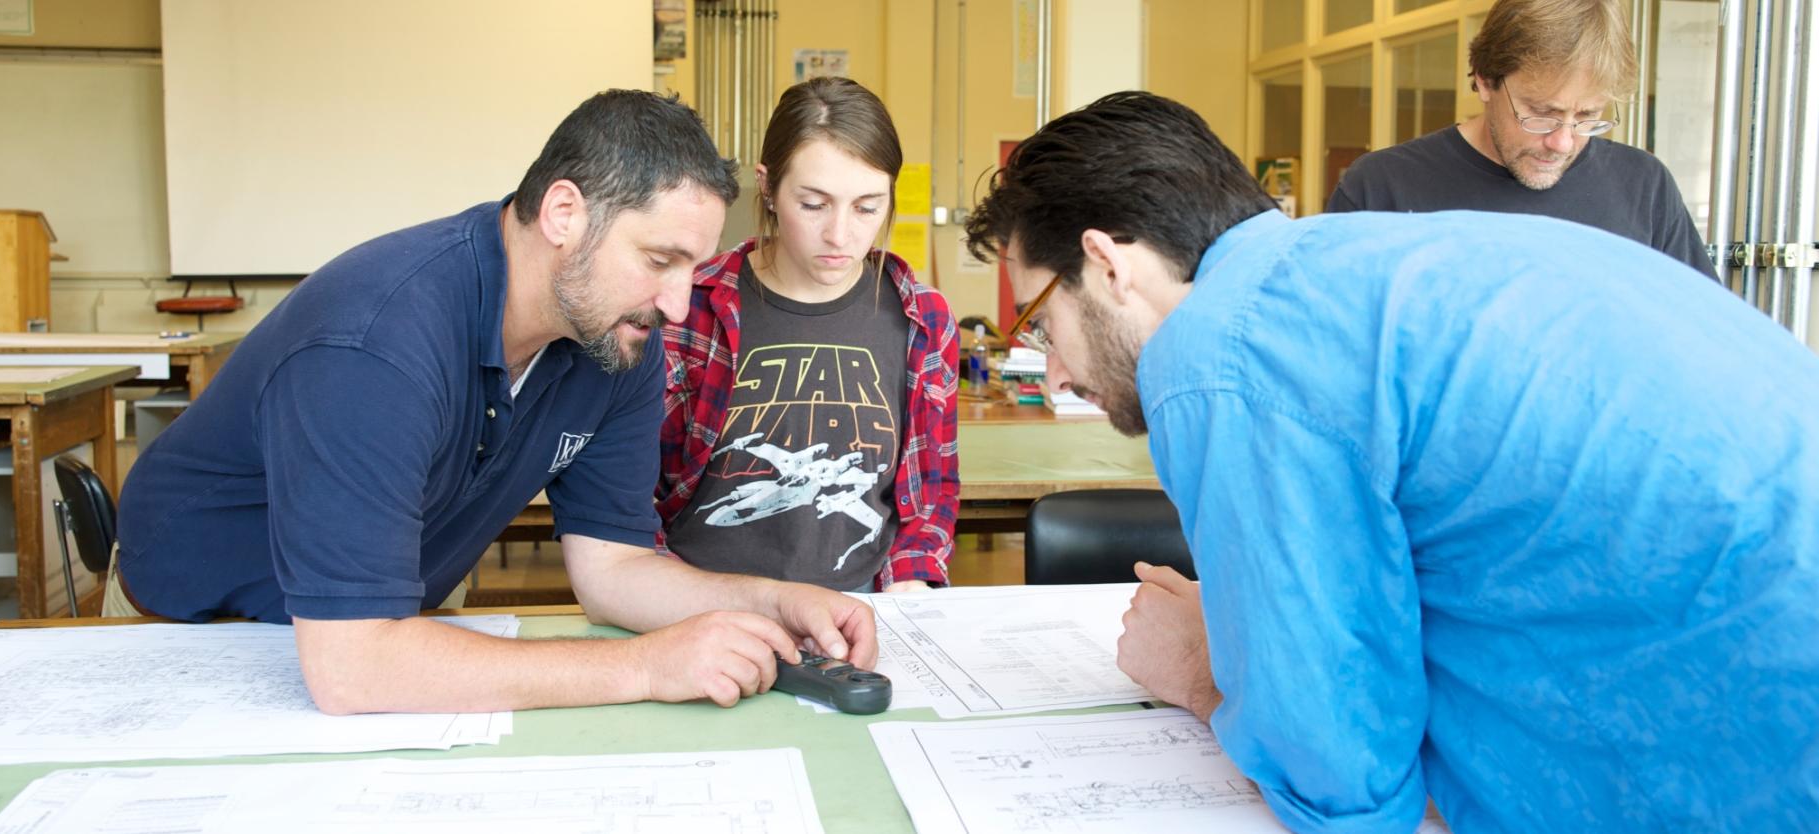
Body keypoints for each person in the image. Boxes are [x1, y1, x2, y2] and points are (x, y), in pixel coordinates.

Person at [965, 91, 1818, 832]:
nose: (1059, 368)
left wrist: (1205, 672)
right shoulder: (1370, 265)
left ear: (1108, 264)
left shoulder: (1223, 349)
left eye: (1040, 319)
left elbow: (1343, 782)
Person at [110, 89, 877, 715]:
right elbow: (351, 670)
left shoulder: (619, 335)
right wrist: (642, 666)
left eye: (693, 267)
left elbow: (612, 568)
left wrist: (773, 604)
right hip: (190, 635)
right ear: (565, 215)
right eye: (658, 259)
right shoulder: (374, 343)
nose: (679, 304)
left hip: (373, 633)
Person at [657, 77, 959, 593]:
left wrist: (912, 586)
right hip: (704, 607)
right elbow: (631, 494)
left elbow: (930, 494)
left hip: (858, 610)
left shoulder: (922, 319)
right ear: (768, 187)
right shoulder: (690, 308)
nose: (841, 236)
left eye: (867, 206)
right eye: (814, 204)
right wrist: (663, 593)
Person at [1327, 0, 1715, 276]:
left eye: (1587, 117)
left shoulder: (1643, 185)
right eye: (1542, 114)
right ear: (1484, 79)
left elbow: (1698, 333)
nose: (1563, 143)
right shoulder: (1381, 188)